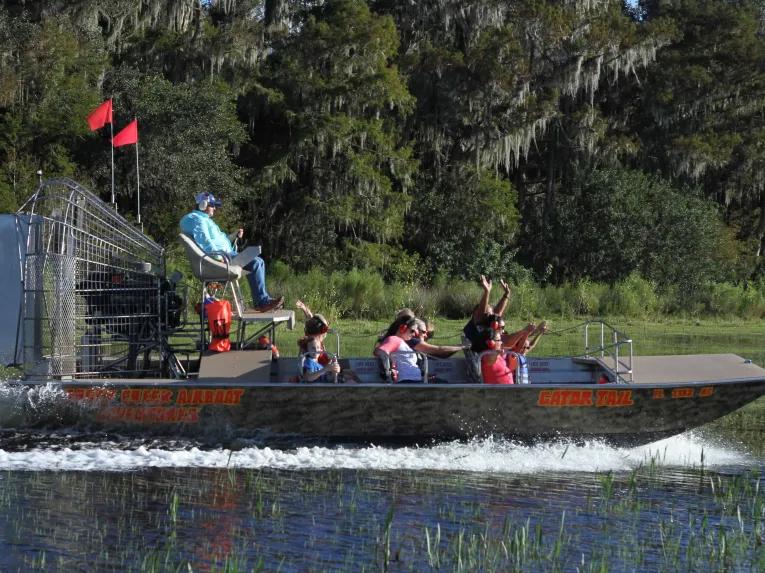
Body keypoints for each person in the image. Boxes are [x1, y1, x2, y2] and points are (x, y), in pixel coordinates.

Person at [180, 191, 283, 312]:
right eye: (212, 205)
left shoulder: (204, 220)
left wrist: (234, 236)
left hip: (224, 254)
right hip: (220, 257)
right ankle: (262, 302)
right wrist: (218, 258)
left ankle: (262, 301)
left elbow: (218, 242)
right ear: (203, 205)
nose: (214, 209)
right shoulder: (196, 219)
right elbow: (205, 241)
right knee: (255, 262)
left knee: (258, 261)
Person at [375, 317, 465, 383]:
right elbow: (381, 351)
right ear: (403, 328)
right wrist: (387, 373)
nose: (414, 335)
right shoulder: (394, 339)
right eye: (412, 331)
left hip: (415, 381)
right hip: (407, 382)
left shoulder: (401, 342)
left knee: (443, 383)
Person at [295, 299, 358, 383]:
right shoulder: (310, 343)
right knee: (349, 377)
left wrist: (304, 309)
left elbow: (310, 317)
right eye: (324, 329)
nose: (325, 333)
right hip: (321, 373)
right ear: (318, 330)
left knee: (350, 373)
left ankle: (363, 387)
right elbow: (304, 369)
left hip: (325, 369)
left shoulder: (318, 340)